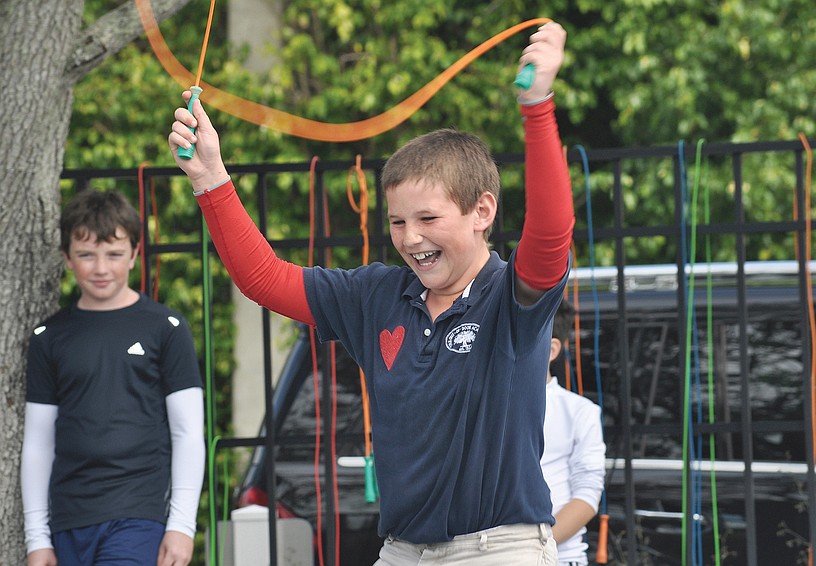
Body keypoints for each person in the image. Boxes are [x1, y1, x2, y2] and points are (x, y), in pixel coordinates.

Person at [170, 22, 572, 565]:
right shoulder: (376, 294)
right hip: (401, 553)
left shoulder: (510, 296)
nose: (410, 237)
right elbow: (262, 279)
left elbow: (549, 237)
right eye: (398, 221)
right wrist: (210, 176)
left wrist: (537, 105)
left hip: (498, 548)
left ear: (482, 211)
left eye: (428, 218)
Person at [21, 190, 206, 566]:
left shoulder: (167, 328)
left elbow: (188, 432)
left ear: (135, 254)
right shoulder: (48, 337)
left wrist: (183, 526)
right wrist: (37, 538)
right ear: (66, 258)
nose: (101, 268)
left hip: (139, 514)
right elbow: (38, 441)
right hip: (69, 520)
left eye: (114, 254)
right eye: (87, 255)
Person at [541, 299, 606, 566]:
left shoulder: (579, 411)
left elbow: (587, 496)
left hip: (559, 556)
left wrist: (531, 549)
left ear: (552, 349)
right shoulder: (484, 403)